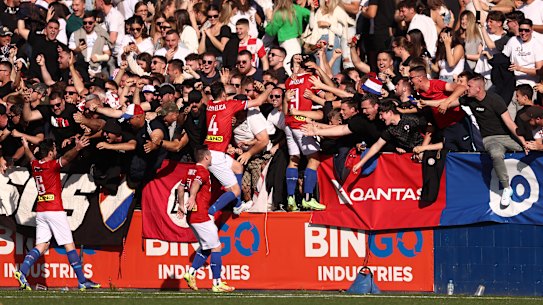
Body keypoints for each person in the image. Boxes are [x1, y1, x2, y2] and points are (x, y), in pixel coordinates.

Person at [14, 137, 100, 291]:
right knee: (69, 245)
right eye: (54, 149)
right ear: (50, 153)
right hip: (55, 211)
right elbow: (67, 158)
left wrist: (26, 146)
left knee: (42, 245)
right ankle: (82, 281)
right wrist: (78, 148)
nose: (56, 151)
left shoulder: (35, 165)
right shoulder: (51, 166)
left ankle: (22, 272)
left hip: (41, 212)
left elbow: (31, 156)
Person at [204, 82, 272, 216]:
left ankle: (238, 205)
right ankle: (210, 213)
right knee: (234, 190)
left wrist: (222, 82)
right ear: (224, 94)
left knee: (238, 168)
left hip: (211, 151)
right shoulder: (230, 105)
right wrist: (268, 89)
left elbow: (217, 97)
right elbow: (259, 101)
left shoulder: (209, 105)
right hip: (216, 155)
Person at [462, 73, 527, 206]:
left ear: (478, 88)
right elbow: (449, 102)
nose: (466, 88)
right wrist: (434, 103)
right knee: (496, 154)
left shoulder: (495, 99)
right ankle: (507, 188)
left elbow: (509, 122)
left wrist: (523, 141)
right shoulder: (468, 99)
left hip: (506, 136)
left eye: (469, 86)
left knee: (530, 148)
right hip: (490, 139)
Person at [178, 145, 235, 293]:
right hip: (201, 216)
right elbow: (196, 183)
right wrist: (191, 196)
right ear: (207, 157)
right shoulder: (202, 171)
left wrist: (181, 204)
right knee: (216, 247)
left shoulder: (190, 170)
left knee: (206, 247)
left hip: (192, 217)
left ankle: (190, 273)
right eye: (210, 157)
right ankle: (217, 283)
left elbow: (180, 187)